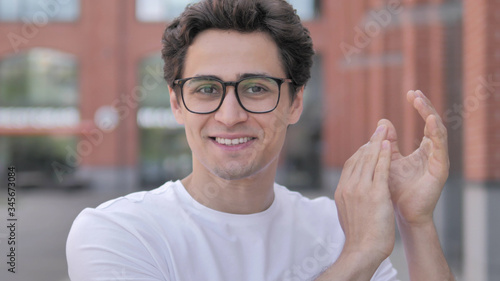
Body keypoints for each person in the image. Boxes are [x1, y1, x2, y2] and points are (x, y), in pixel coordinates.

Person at [66, 0, 456, 280]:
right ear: (176, 103)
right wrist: (357, 258)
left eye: (255, 88)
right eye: (206, 89)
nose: (230, 115)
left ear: (295, 102)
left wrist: (416, 222)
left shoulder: (337, 225)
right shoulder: (118, 232)